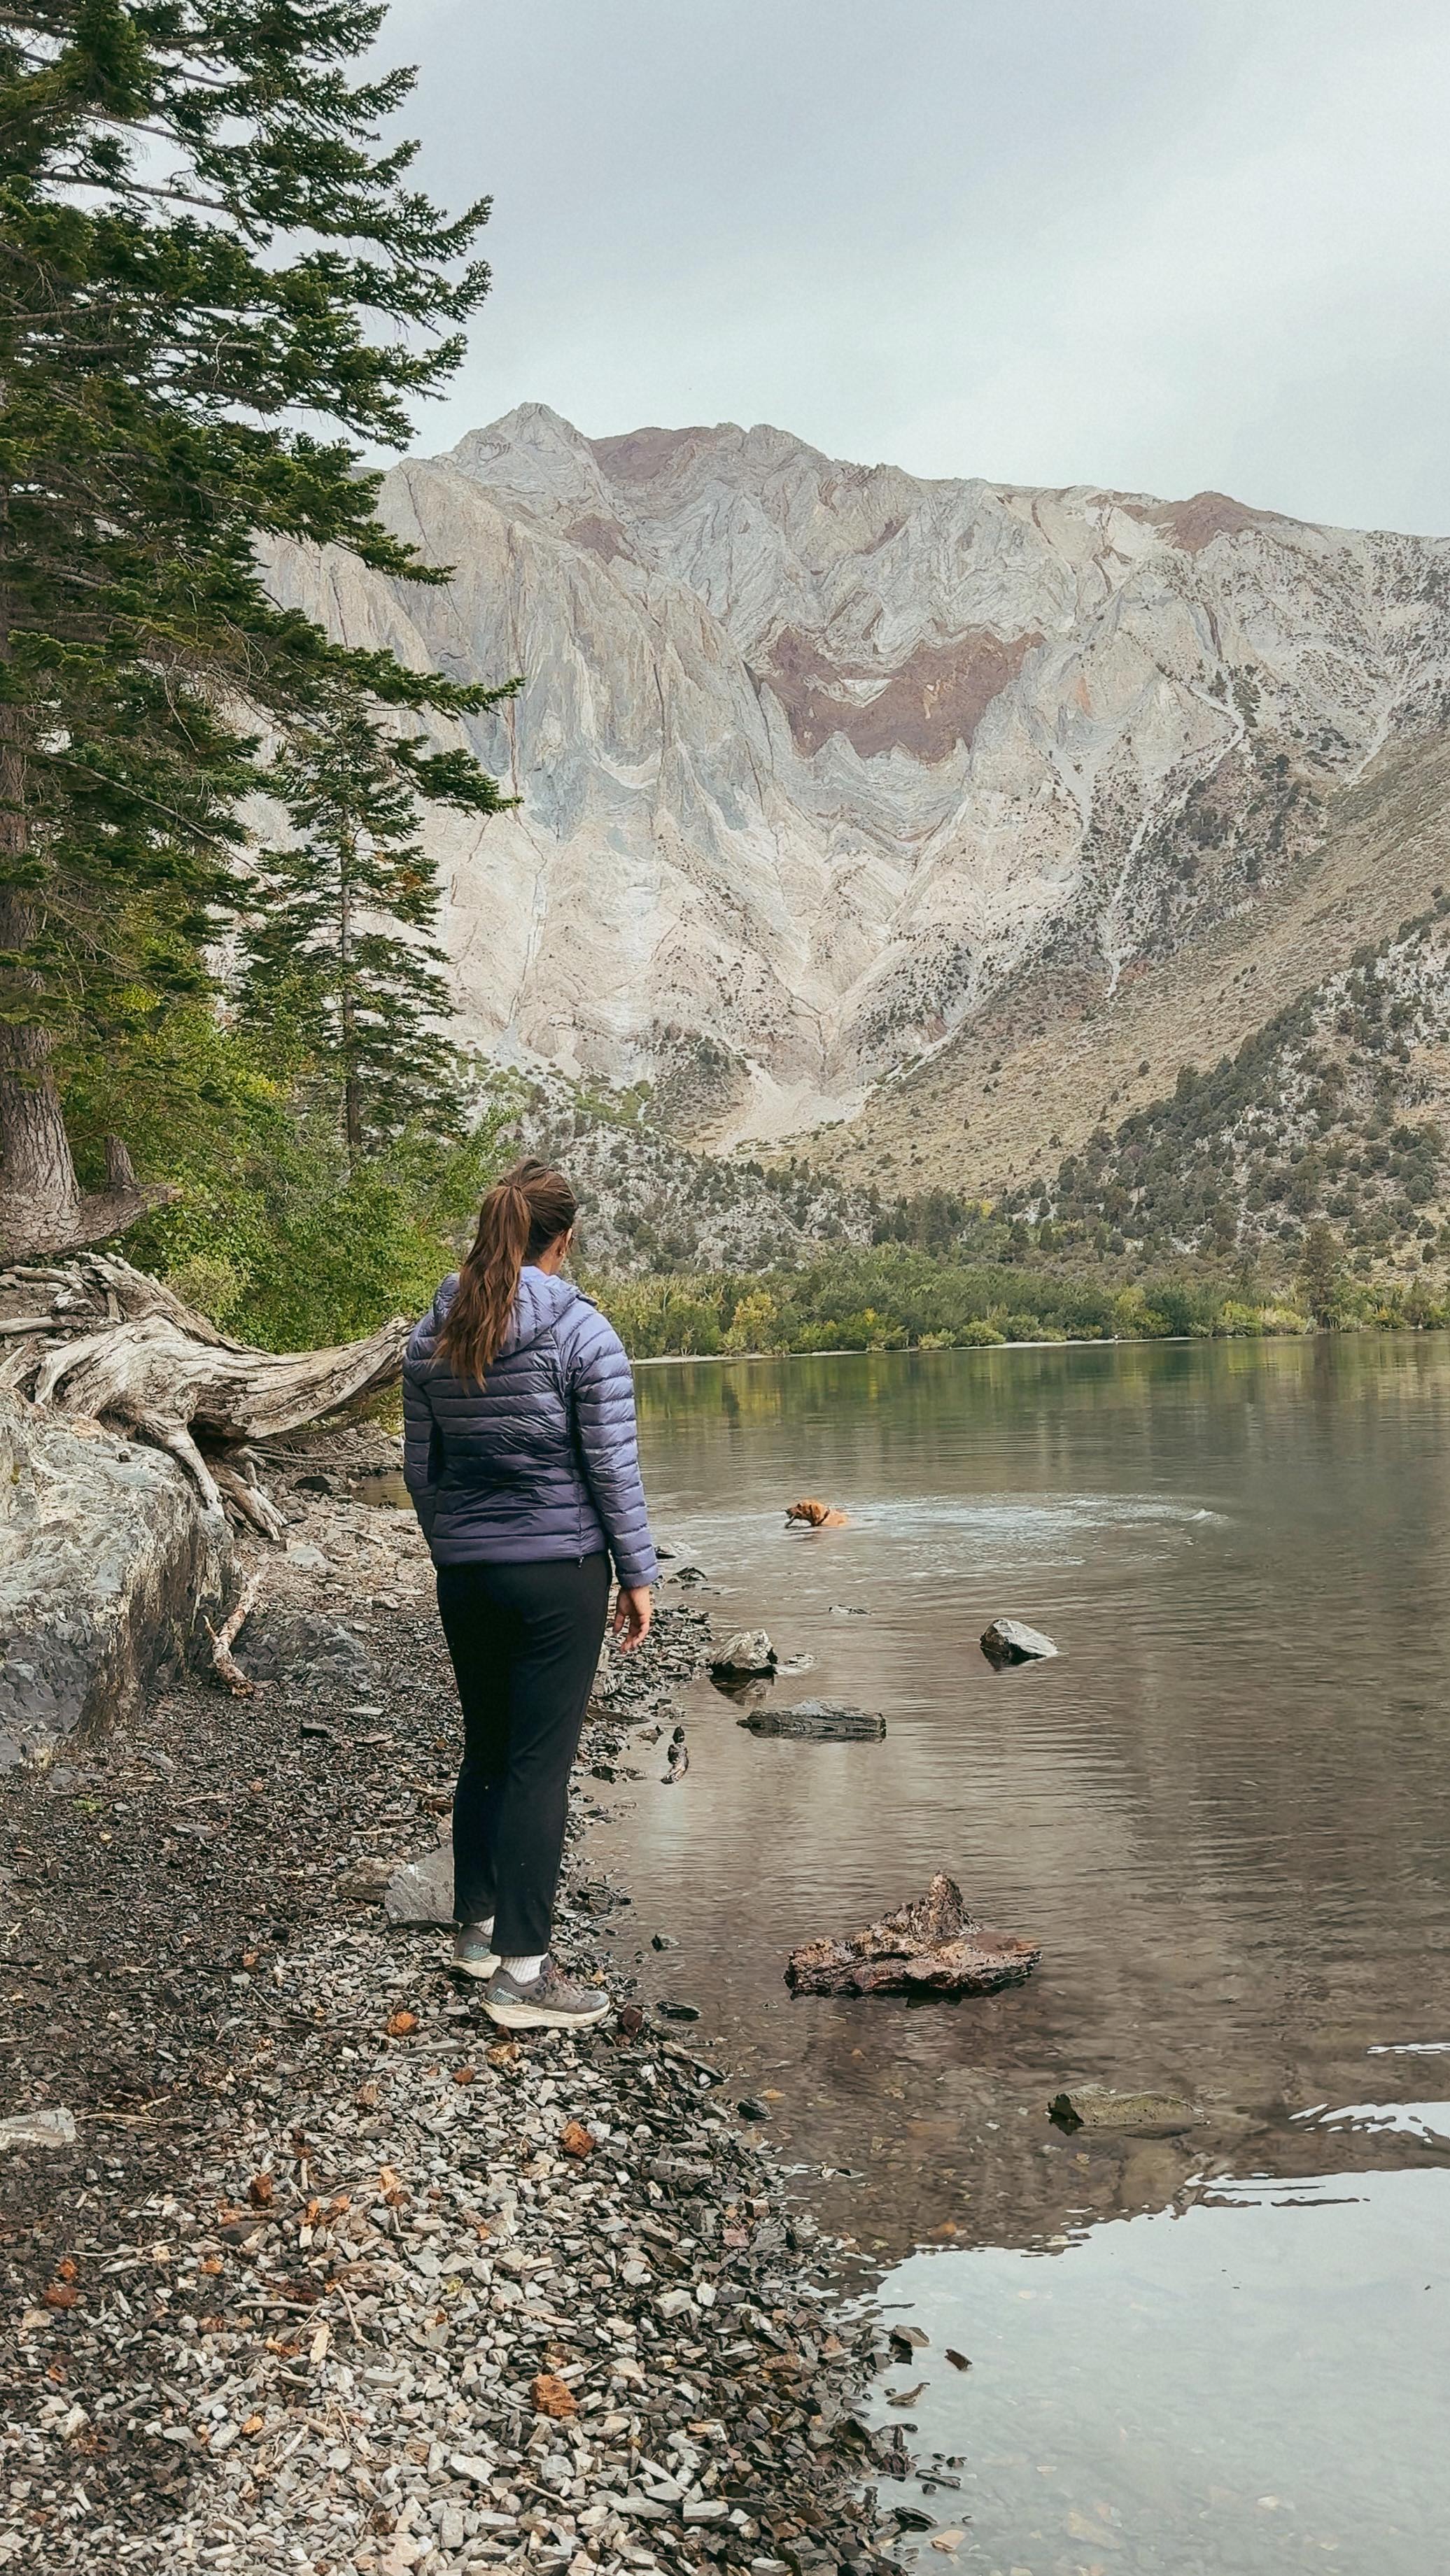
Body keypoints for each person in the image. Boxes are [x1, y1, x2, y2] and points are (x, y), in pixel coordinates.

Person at [402, 1159, 657, 2030]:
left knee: (488, 1745)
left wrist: (454, 1551)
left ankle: (474, 1933)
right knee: (538, 1766)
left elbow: (420, 1470)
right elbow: (611, 1471)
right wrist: (639, 1573)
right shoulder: (583, 1334)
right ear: (564, 1237)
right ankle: (524, 1972)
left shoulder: (433, 1331)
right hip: (557, 1574)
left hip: (468, 1575)